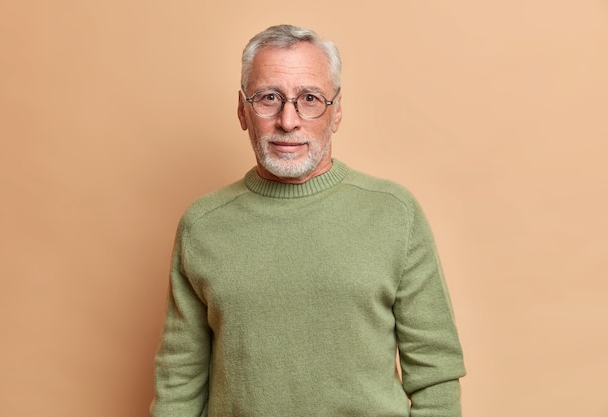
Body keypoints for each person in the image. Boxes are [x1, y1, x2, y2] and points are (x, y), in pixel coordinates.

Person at [151, 24, 466, 417]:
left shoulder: (393, 213)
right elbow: (179, 378)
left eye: (310, 98)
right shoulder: (203, 224)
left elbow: (435, 371)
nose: (288, 120)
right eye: (269, 98)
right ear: (242, 110)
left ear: (336, 113)